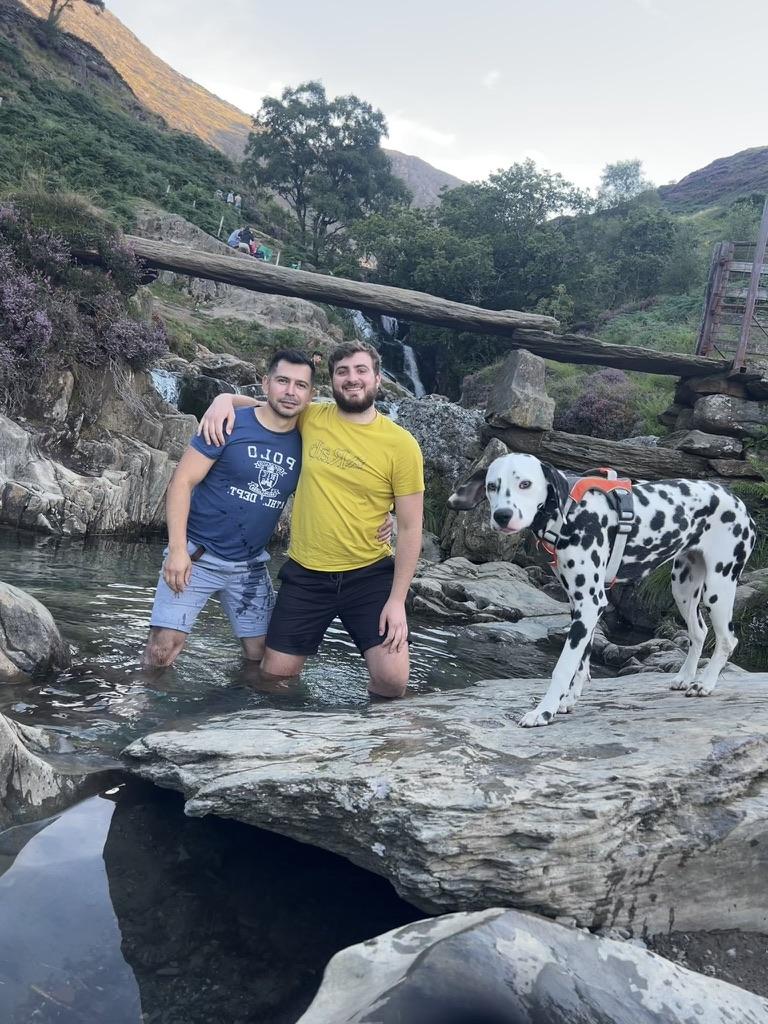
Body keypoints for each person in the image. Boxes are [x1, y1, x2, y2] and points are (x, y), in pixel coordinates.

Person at [200, 341, 424, 698]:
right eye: (342, 372)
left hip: (369, 576)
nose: (352, 379)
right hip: (307, 575)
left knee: (393, 682)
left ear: (378, 378)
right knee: (272, 679)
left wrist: (397, 602)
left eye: (361, 370)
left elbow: (412, 528)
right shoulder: (311, 417)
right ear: (332, 381)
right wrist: (223, 399)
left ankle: (369, 731)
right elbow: (266, 406)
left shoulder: (402, 445)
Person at [142, 350, 315, 669]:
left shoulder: (310, 439)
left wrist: (381, 517)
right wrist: (177, 550)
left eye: (300, 385)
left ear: (311, 394)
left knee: (262, 656)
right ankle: (144, 699)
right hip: (197, 556)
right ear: (265, 383)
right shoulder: (229, 423)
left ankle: (235, 701)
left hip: (250, 566)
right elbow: (182, 482)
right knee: (162, 649)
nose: (291, 391)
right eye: (283, 381)